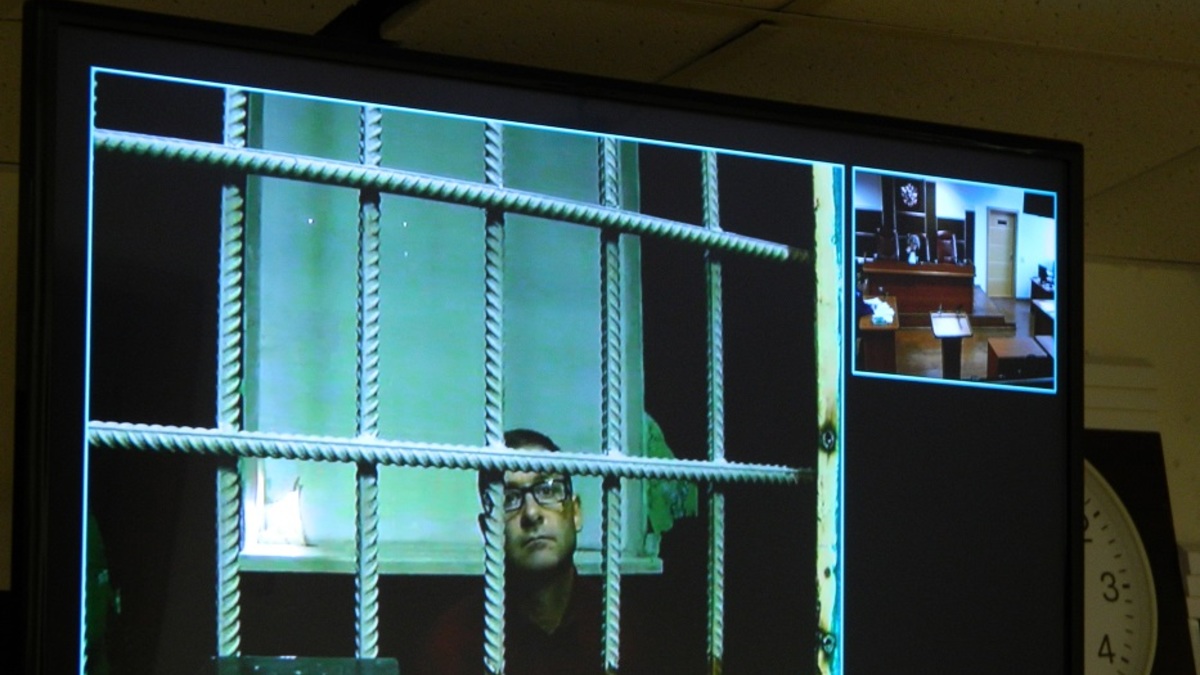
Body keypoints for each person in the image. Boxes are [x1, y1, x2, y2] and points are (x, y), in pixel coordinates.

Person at [419, 429, 642, 675]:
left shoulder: (621, 629)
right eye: (509, 498)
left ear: (576, 512)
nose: (532, 513)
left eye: (547, 490)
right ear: (488, 530)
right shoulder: (455, 640)